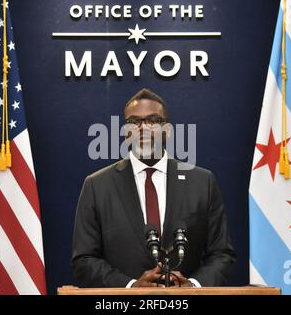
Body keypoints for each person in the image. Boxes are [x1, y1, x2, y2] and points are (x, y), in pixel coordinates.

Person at [71, 88, 236, 288]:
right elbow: (84, 259)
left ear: (168, 129)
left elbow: (222, 254)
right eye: (134, 122)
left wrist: (192, 286)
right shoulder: (97, 185)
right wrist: (131, 287)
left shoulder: (203, 182)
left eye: (153, 121)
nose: (143, 128)